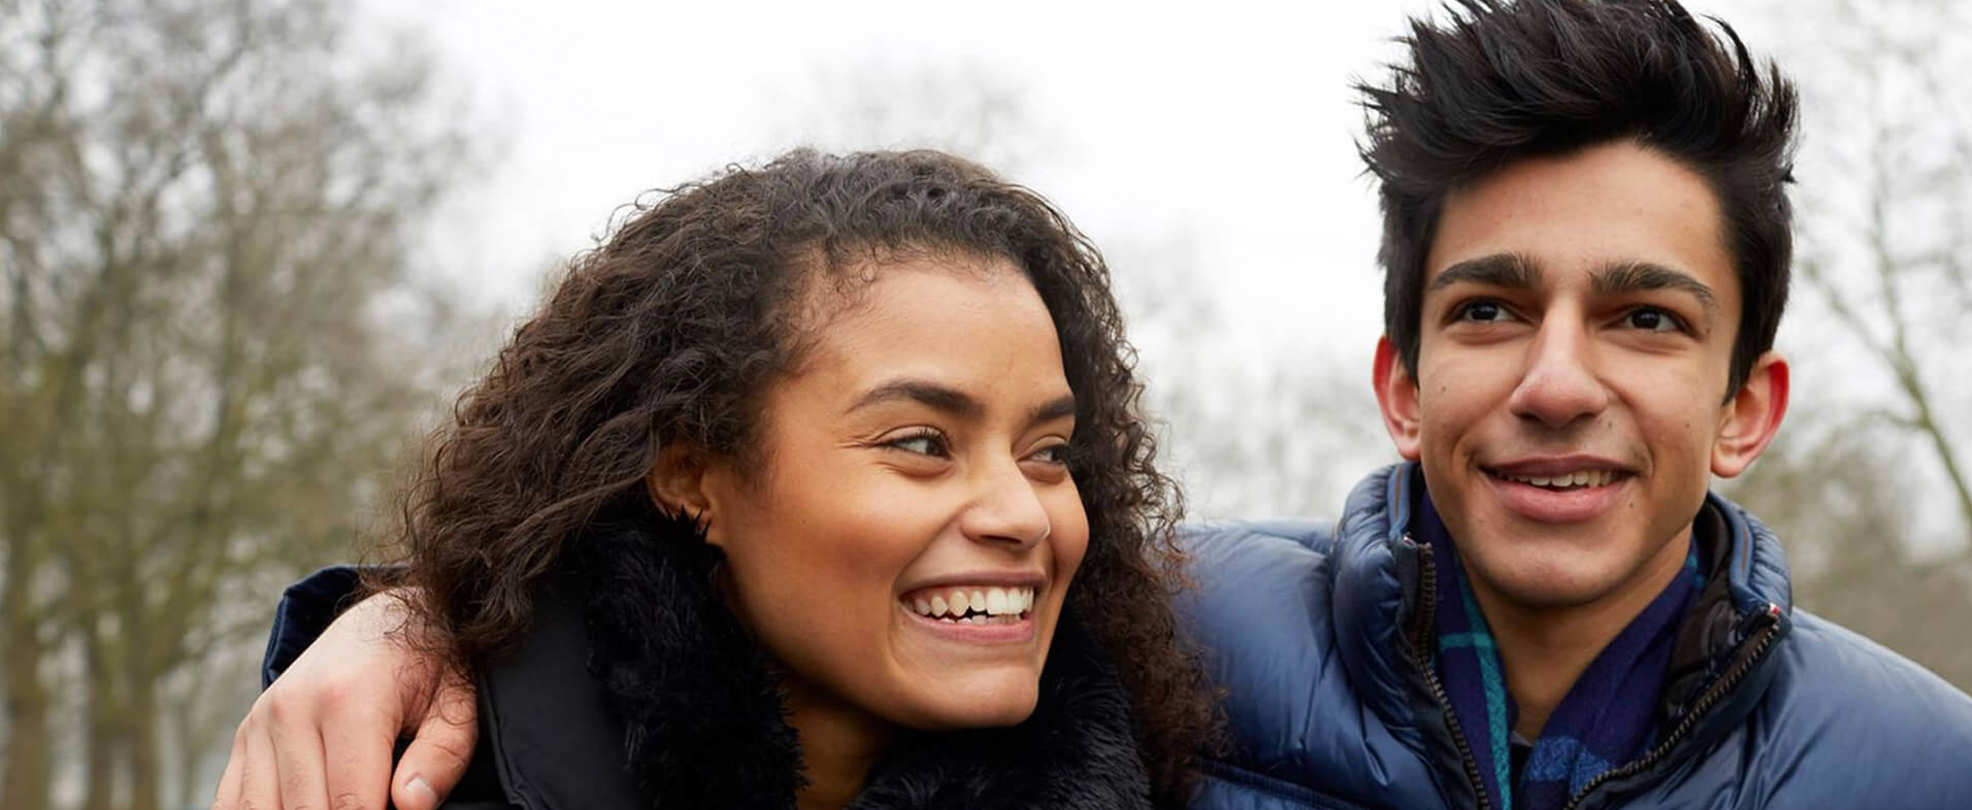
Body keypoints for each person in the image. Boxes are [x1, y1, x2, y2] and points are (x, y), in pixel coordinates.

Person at [215, 2, 1972, 809]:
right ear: (1399, 378)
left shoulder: (1929, 766)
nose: (1560, 381)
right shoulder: (1170, 643)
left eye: (1649, 319)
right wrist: (421, 619)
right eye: (1491, 308)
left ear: (1751, 403)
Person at [209, 148, 1219, 810]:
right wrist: (408, 617)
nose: (1020, 514)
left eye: (1048, 453)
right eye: (920, 442)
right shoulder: (397, 774)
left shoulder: (1181, 752)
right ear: (693, 474)